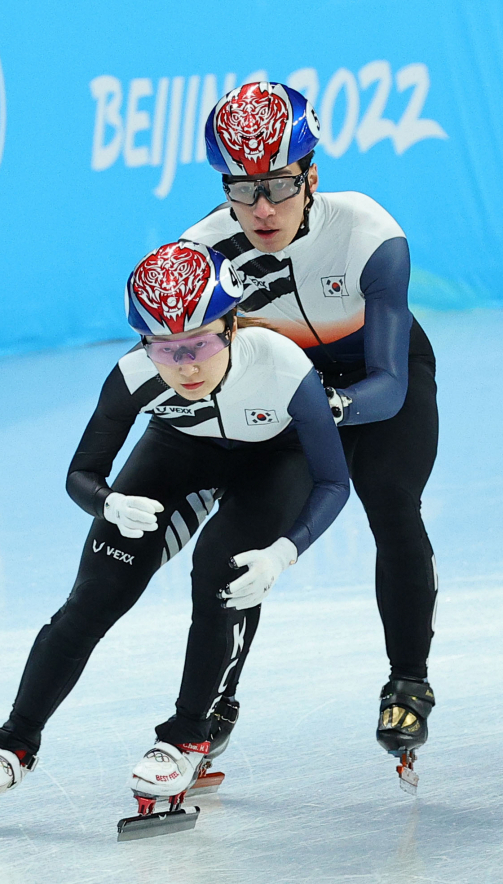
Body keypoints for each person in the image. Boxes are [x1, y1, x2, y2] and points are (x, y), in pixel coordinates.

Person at [0, 241, 349, 832]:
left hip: (274, 461)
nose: (185, 365)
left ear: (232, 327)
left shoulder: (282, 366)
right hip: (178, 453)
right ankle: (16, 744)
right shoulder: (135, 374)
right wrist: (108, 502)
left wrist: (286, 551)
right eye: (166, 348)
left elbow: (334, 481)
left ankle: (188, 737)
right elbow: (79, 474)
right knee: (94, 595)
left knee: (220, 571)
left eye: (202, 344)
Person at [180, 81, 438, 762]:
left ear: (311, 175)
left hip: (378, 378)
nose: (262, 209)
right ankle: (213, 701)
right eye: (243, 188)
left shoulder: (368, 233)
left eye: (280, 187)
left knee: (389, 496)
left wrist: (332, 408)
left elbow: (386, 383)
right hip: (287, 386)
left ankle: (408, 681)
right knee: (246, 526)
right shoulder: (202, 255)